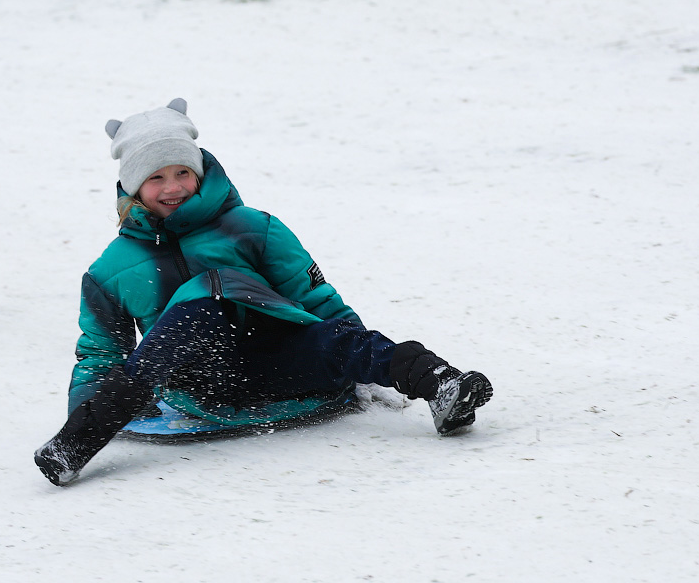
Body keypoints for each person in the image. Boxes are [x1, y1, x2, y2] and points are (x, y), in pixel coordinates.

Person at [34, 98, 493, 486]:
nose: (173, 187)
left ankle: (443, 385)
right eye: (156, 177)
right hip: (199, 378)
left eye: (182, 172)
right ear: (134, 186)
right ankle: (76, 443)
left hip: (277, 359)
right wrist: (85, 410)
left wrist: (350, 353)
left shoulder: (252, 228)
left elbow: (316, 299)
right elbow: (99, 353)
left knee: (331, 337)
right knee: (203, 298)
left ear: (200, 172)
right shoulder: (110, 269)